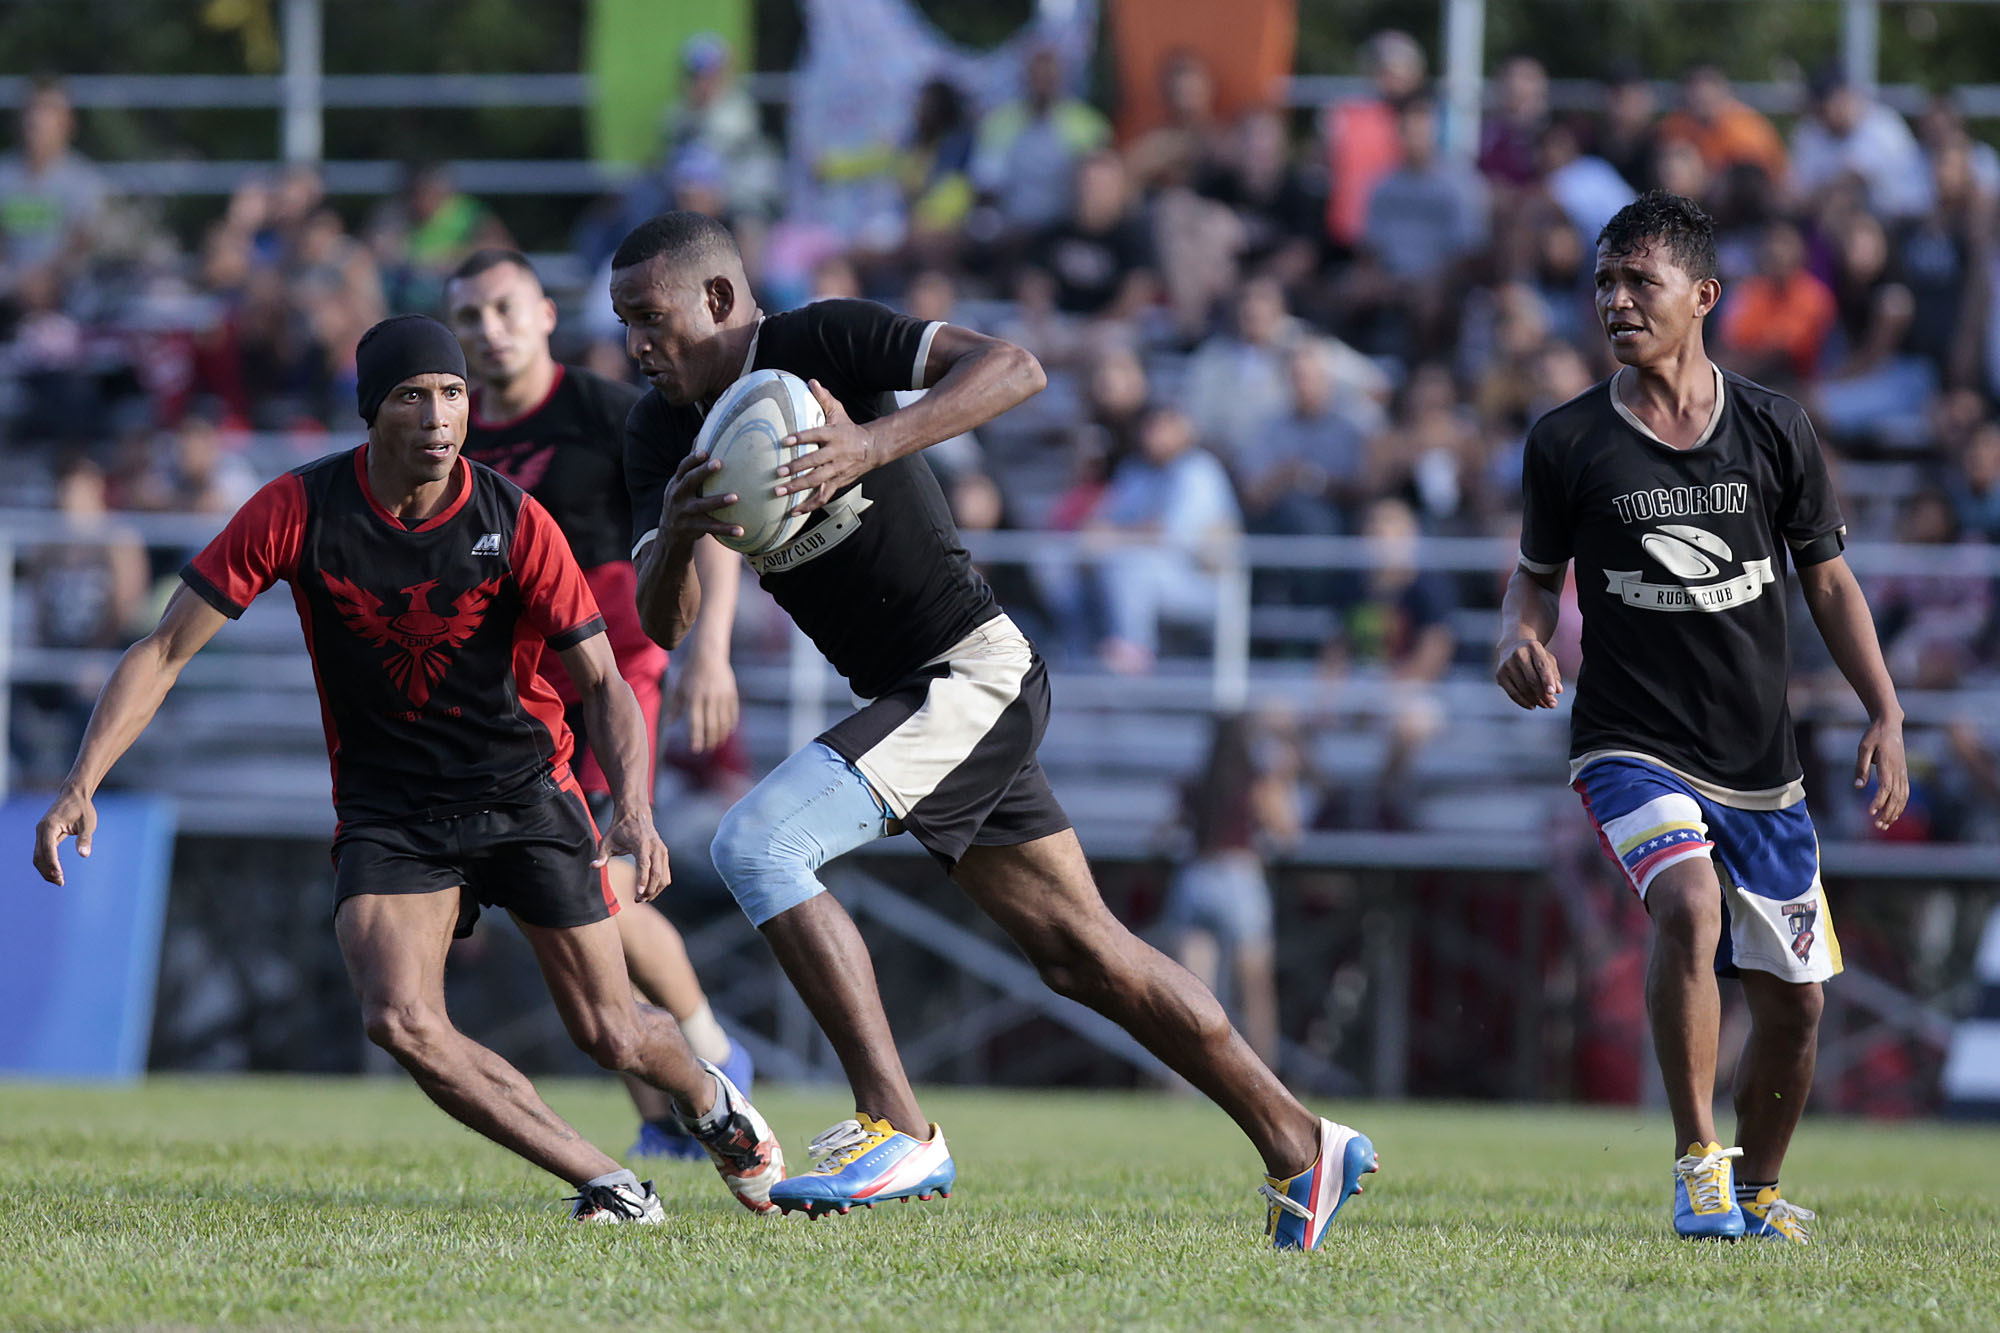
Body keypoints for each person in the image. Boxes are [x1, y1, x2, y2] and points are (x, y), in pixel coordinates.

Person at [610, 211, 1376, 1249]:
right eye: (622, 323)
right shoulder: (660, 433)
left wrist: (866, 444)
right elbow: (661, 621)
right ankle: (1301, 1141)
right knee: (1084, 954)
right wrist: (681, 534)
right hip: (916, 696)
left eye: (649, 318)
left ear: (716, 298)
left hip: (970, 671)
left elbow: (1013, 366)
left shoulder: (821, 340)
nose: (635, 345)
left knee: (758, 842)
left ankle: (899, 1125)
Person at [32, 315, 785, 1225]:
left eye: (455, 394)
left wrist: (633, 807)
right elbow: (161, 652)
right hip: (392, 813)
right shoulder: (298, 508)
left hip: (526, 793)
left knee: (612, 1030)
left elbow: (604, 682)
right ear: (370, 413)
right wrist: (81, 782)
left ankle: (713, 1103)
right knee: (399, 1019)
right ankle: (609, 1182)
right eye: (413, 395)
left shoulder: (513, 517)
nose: (440, 415)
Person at [1495, 192, 1908, 1242]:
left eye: (1639, 281)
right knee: (1685, 904)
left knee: (1795, 1002)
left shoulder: (1774, 426)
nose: (1615, 300)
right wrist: (1518, 637)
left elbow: (1827, 583)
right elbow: (1533, 581)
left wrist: (1884, 709)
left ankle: (1758, 1192)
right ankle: (1695, 1165)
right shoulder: (1567, 440)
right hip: (1626, 743)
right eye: (1603, 281)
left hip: (1759, 764)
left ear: (1701, 296)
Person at [444, 248, 755, 1164]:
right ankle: (668, 1112)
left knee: (591, 887)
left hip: (616, 672)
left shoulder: (611, 414)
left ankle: (710, 1055)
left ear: (543, 312)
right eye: (470, 318)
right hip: (511, 697)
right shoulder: (451, 433)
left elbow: (715, 514)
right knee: (568, 904)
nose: (489, 331)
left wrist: (711, 651)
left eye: (504, 308)